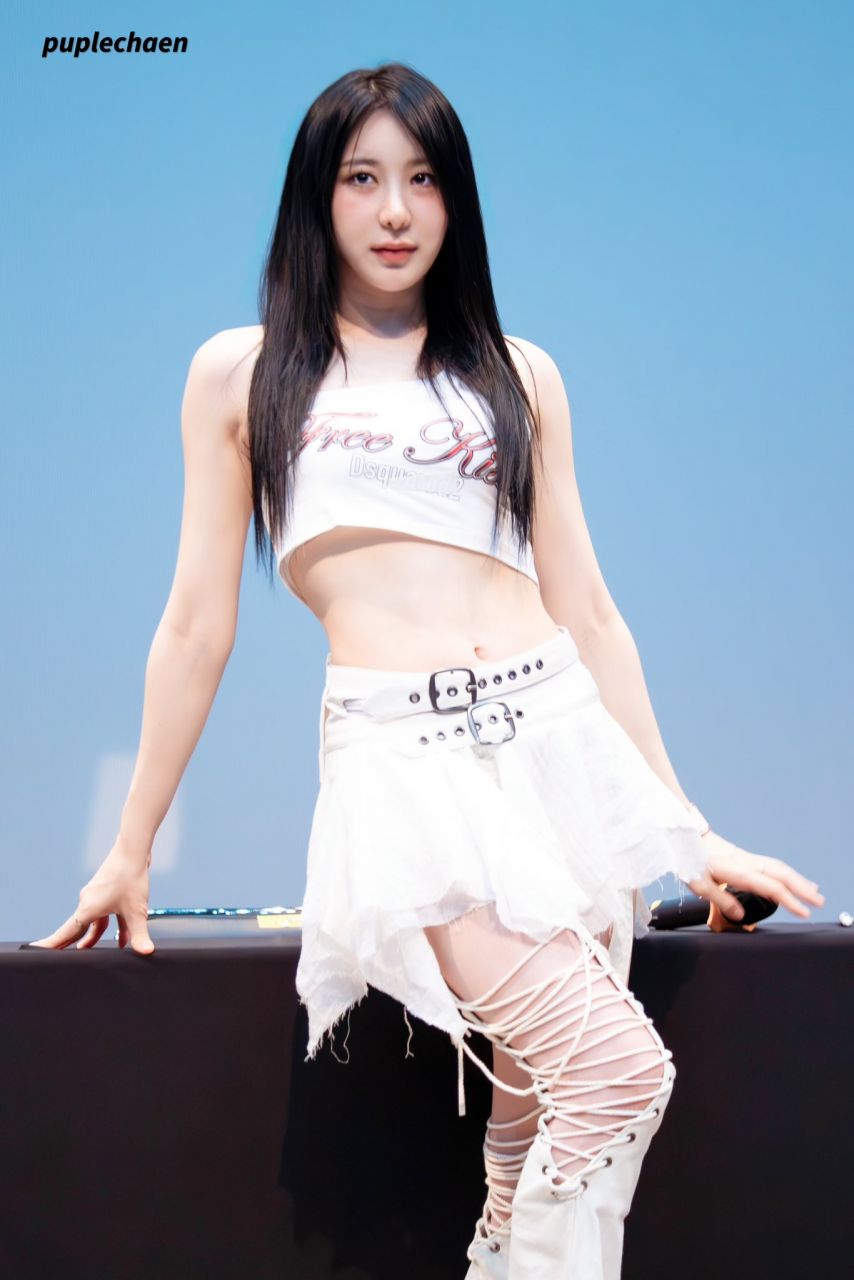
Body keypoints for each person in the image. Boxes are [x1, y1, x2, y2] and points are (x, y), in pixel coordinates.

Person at [31, 62, 824, 1279]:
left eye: (422, 179)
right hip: (403, 759)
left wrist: (683, 828)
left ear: (456, 200)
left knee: (524, 1131)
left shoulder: (520, 371)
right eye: (362, 178)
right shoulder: (240, 372)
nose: (395, 210)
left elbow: (589, 611)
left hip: (555, 739)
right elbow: (193, 625)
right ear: (318, 197)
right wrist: (130, 845)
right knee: (614, 1075)